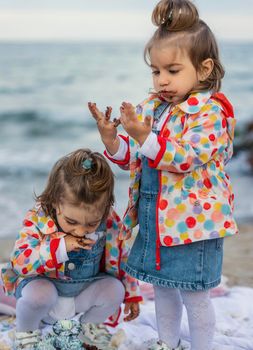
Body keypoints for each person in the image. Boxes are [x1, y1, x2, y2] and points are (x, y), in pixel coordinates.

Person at [88, 1, 238, 349]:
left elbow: (184, 157)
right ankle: (166, 342)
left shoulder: (211, 112)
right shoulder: (155, 107)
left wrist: (144, 137)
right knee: (162, 289)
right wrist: (113, 140)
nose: (162, 80)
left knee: (195, 296)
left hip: (194, 224)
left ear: (204, 69)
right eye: (156, 71)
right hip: (156, 219)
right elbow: (136, 159)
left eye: (172, 70)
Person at [1, 148, 142, 349]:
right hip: (44, 297)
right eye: (71, 221)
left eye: (91, 223)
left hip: (81, 295)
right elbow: (20, 262)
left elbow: (123, 258)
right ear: (54, 201)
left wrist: (132, 293)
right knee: (41, 294)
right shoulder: (39, 219)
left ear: (105, 208)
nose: (80, 230)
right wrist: (60, 247)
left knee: (114, 290)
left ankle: (88, 330)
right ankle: (27, 332)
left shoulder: (109, 223)